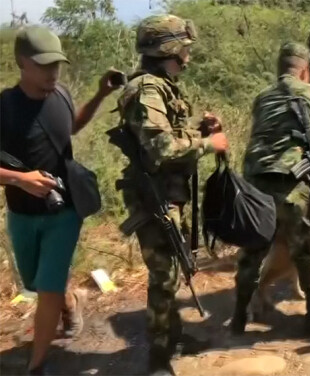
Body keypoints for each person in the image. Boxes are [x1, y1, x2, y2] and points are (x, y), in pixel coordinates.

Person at [114, 15, 229, 376]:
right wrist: (210, 143)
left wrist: (197, 130)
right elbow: (161, 148)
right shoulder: (148, 89)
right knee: (162, 276)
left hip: (168, 191)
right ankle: (158, 358)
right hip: (153, 195)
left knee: (172, 271)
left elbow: (170, 134)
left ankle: (173, 337)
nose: (188, 57)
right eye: (184, 49)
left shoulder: (161, 85)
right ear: (169, 49)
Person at [0, 26, 119, 374]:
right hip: (22, 214)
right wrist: (20, 180)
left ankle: (36, 365)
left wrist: (99, 95)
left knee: (47, 289)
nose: (53, 72)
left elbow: (71, 128)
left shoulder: (62, 95)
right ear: (23, 62)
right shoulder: (5, 107)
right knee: (36, 284)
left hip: (64, 213)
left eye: (57, 65)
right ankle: (73, 301)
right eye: (45, 65)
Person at [232, 42, 310, 335]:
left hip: (254, 183)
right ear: (305, 69)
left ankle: (238, 316)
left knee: (252, 250)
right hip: (292, 183)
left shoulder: (262, 97)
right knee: (309, 248)